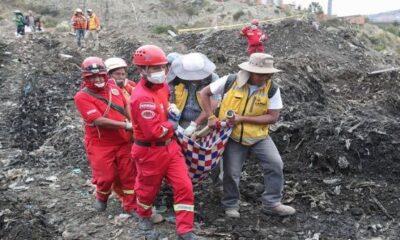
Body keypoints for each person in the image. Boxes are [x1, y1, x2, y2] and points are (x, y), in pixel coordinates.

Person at [199, 53, 296, 218]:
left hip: (259, 136)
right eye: (261, 74)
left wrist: (242, 118)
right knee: (231, 172)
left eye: (268, 74)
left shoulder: (271, 88)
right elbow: (204, 93)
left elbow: (273, 117)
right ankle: (231, 205)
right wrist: (210, 116)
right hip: (233, 137)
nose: (265, 78)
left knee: (275, 164)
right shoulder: (230, 81)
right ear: (250, 71)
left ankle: (272, 203)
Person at [130, 45, 204, 240]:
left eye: (162, 67)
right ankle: (144, 216)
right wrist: (172, 122)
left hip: (170, 148)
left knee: (184, 186)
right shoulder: (141, 98)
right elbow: (154, 132)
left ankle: (184, 230)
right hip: (150, 151)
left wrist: (170, 108)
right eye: (154, 68)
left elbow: (164, 103)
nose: (160, 72)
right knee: (147, 190)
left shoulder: (162, 86)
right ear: (142, 70)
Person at [74, 57, 137, 215]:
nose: (98, 79)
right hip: (100, 144)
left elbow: (125, 105)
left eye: (101, 75)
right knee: (106, 177)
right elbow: (97, 120)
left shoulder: (113, 86)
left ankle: (131, 206)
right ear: (86, 78)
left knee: (129, 175)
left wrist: (133, 122)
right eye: (93, 77)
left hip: (123, 141)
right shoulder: (82, 97)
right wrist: (126, 125)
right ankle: (102, 196)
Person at [168, 52, 219, 135]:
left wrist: (194, 124)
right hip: (181, 119)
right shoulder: (179, 77)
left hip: (203, 122)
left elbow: (213, 105)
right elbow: (169, 93)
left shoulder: (213, 79)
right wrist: (173, 117)